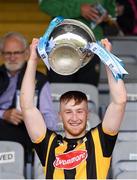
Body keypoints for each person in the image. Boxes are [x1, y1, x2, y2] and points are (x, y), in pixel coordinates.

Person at [20, 38, 127, 179]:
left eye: (79, 111)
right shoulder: (49, 145)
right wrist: (33, 60)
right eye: (68, 112)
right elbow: (27, 107)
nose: (75, 118)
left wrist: (107, 58)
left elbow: (120, 101)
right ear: (60, 116)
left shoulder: (100, 141)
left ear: (88, 115)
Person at [0, 32, 58, 161]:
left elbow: (50, 118)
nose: (12, 57)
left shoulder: (39, 79)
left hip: (25, 130)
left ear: (26, 53)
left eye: (17, 53)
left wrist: (36, 118)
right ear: (2, 55)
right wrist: (4, 114)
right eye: (8, 53)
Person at [38, 0, 116, 86]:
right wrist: (79, 9)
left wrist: (106, 15)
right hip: (61, 44)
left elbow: (112, 11)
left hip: (92, 45)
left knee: (88, 91)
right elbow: (45, 5)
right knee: (60, 90)